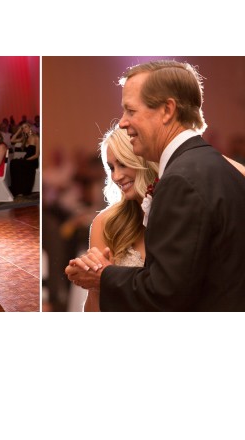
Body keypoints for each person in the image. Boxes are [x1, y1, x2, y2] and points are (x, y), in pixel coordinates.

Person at [67, 60, 245, 311]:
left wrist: (103, 277)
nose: (122, 122)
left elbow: (167, 294)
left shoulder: (179, 179)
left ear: (167, 110)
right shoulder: (218, 167)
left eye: (130, 111)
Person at [9, 122, 39, 195]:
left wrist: (26, 160)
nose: (24, 129)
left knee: (16, 163)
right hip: (26, 160)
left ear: (30, 127)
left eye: (26, 127)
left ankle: (22, 189)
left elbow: (37, 155)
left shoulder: (36, 138)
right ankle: (17, 189)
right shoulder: (24, 138)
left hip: (33, 160)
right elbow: (12, 140)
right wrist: (19, 130)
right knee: (13, 162)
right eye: (23, 128)